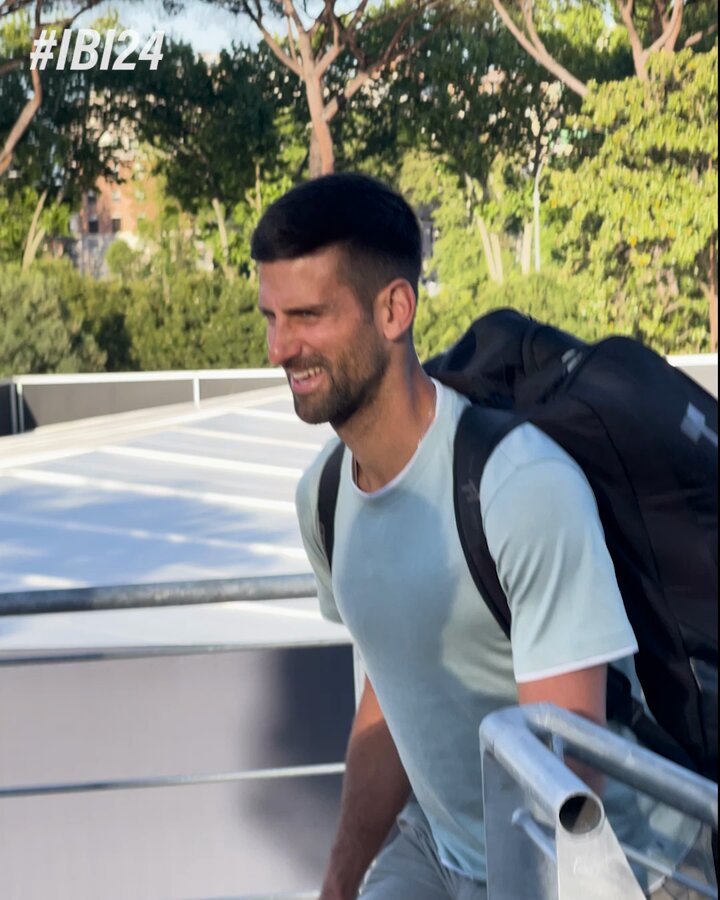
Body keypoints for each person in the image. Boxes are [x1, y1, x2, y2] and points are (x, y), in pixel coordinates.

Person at [251, 173, 712, 899]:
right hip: (449, 853)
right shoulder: (325, 497)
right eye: (271, 317)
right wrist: (339, 880)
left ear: (394, 309)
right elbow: (390, 695)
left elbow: (563, 779)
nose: (280, 348)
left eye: (307, 316)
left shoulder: (517, 486)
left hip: (618, 868)